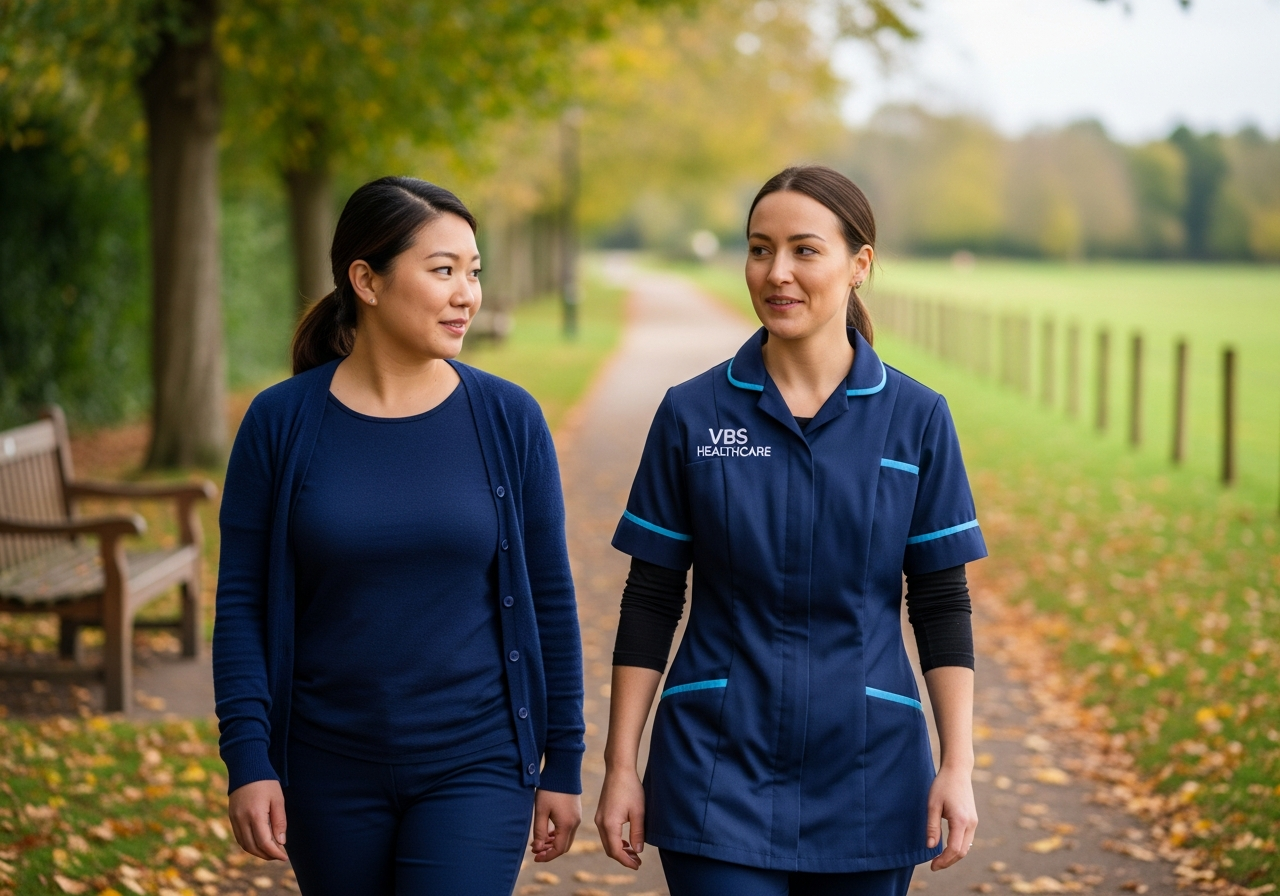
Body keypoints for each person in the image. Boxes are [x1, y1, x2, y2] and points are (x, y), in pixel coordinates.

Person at [595, 165, 986, 896]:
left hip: (871, 772)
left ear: (859, 265)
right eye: (758, 249)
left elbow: (941, 605)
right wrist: (621, 767)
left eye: (805, 250)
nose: (777, 273)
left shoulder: (916, 419)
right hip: (716, 768)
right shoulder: (692, 414)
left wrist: (957, 766)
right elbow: (650, 598)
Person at [213, 176, 584, 895]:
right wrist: (249, 759)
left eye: (474, 273)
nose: (467, 294)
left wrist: (563, 759)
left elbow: (550, 600)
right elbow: (241, 606)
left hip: (478, 761)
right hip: (324, 767)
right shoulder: (280, 424)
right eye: (443, 270)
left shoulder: (509, 419)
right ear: (366, 280)